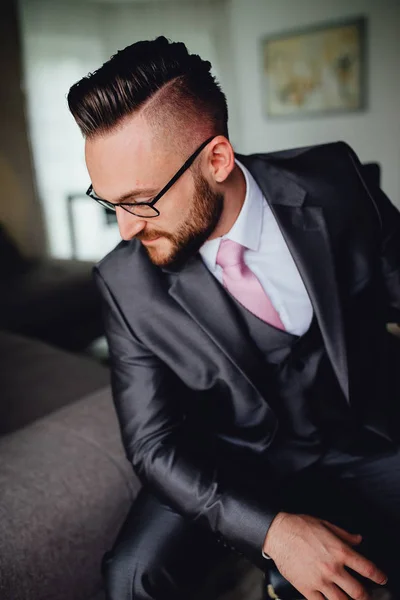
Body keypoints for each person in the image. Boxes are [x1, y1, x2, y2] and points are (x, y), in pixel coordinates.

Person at [67, 37, 400, 600]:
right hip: (233, 457)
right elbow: (153, 445)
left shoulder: (336, 179)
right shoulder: (123, 282)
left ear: (216, 159)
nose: (124, 229)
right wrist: (271, 532)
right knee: (130, 576)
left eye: (141, 201)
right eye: (109, 202)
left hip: (363, 431)